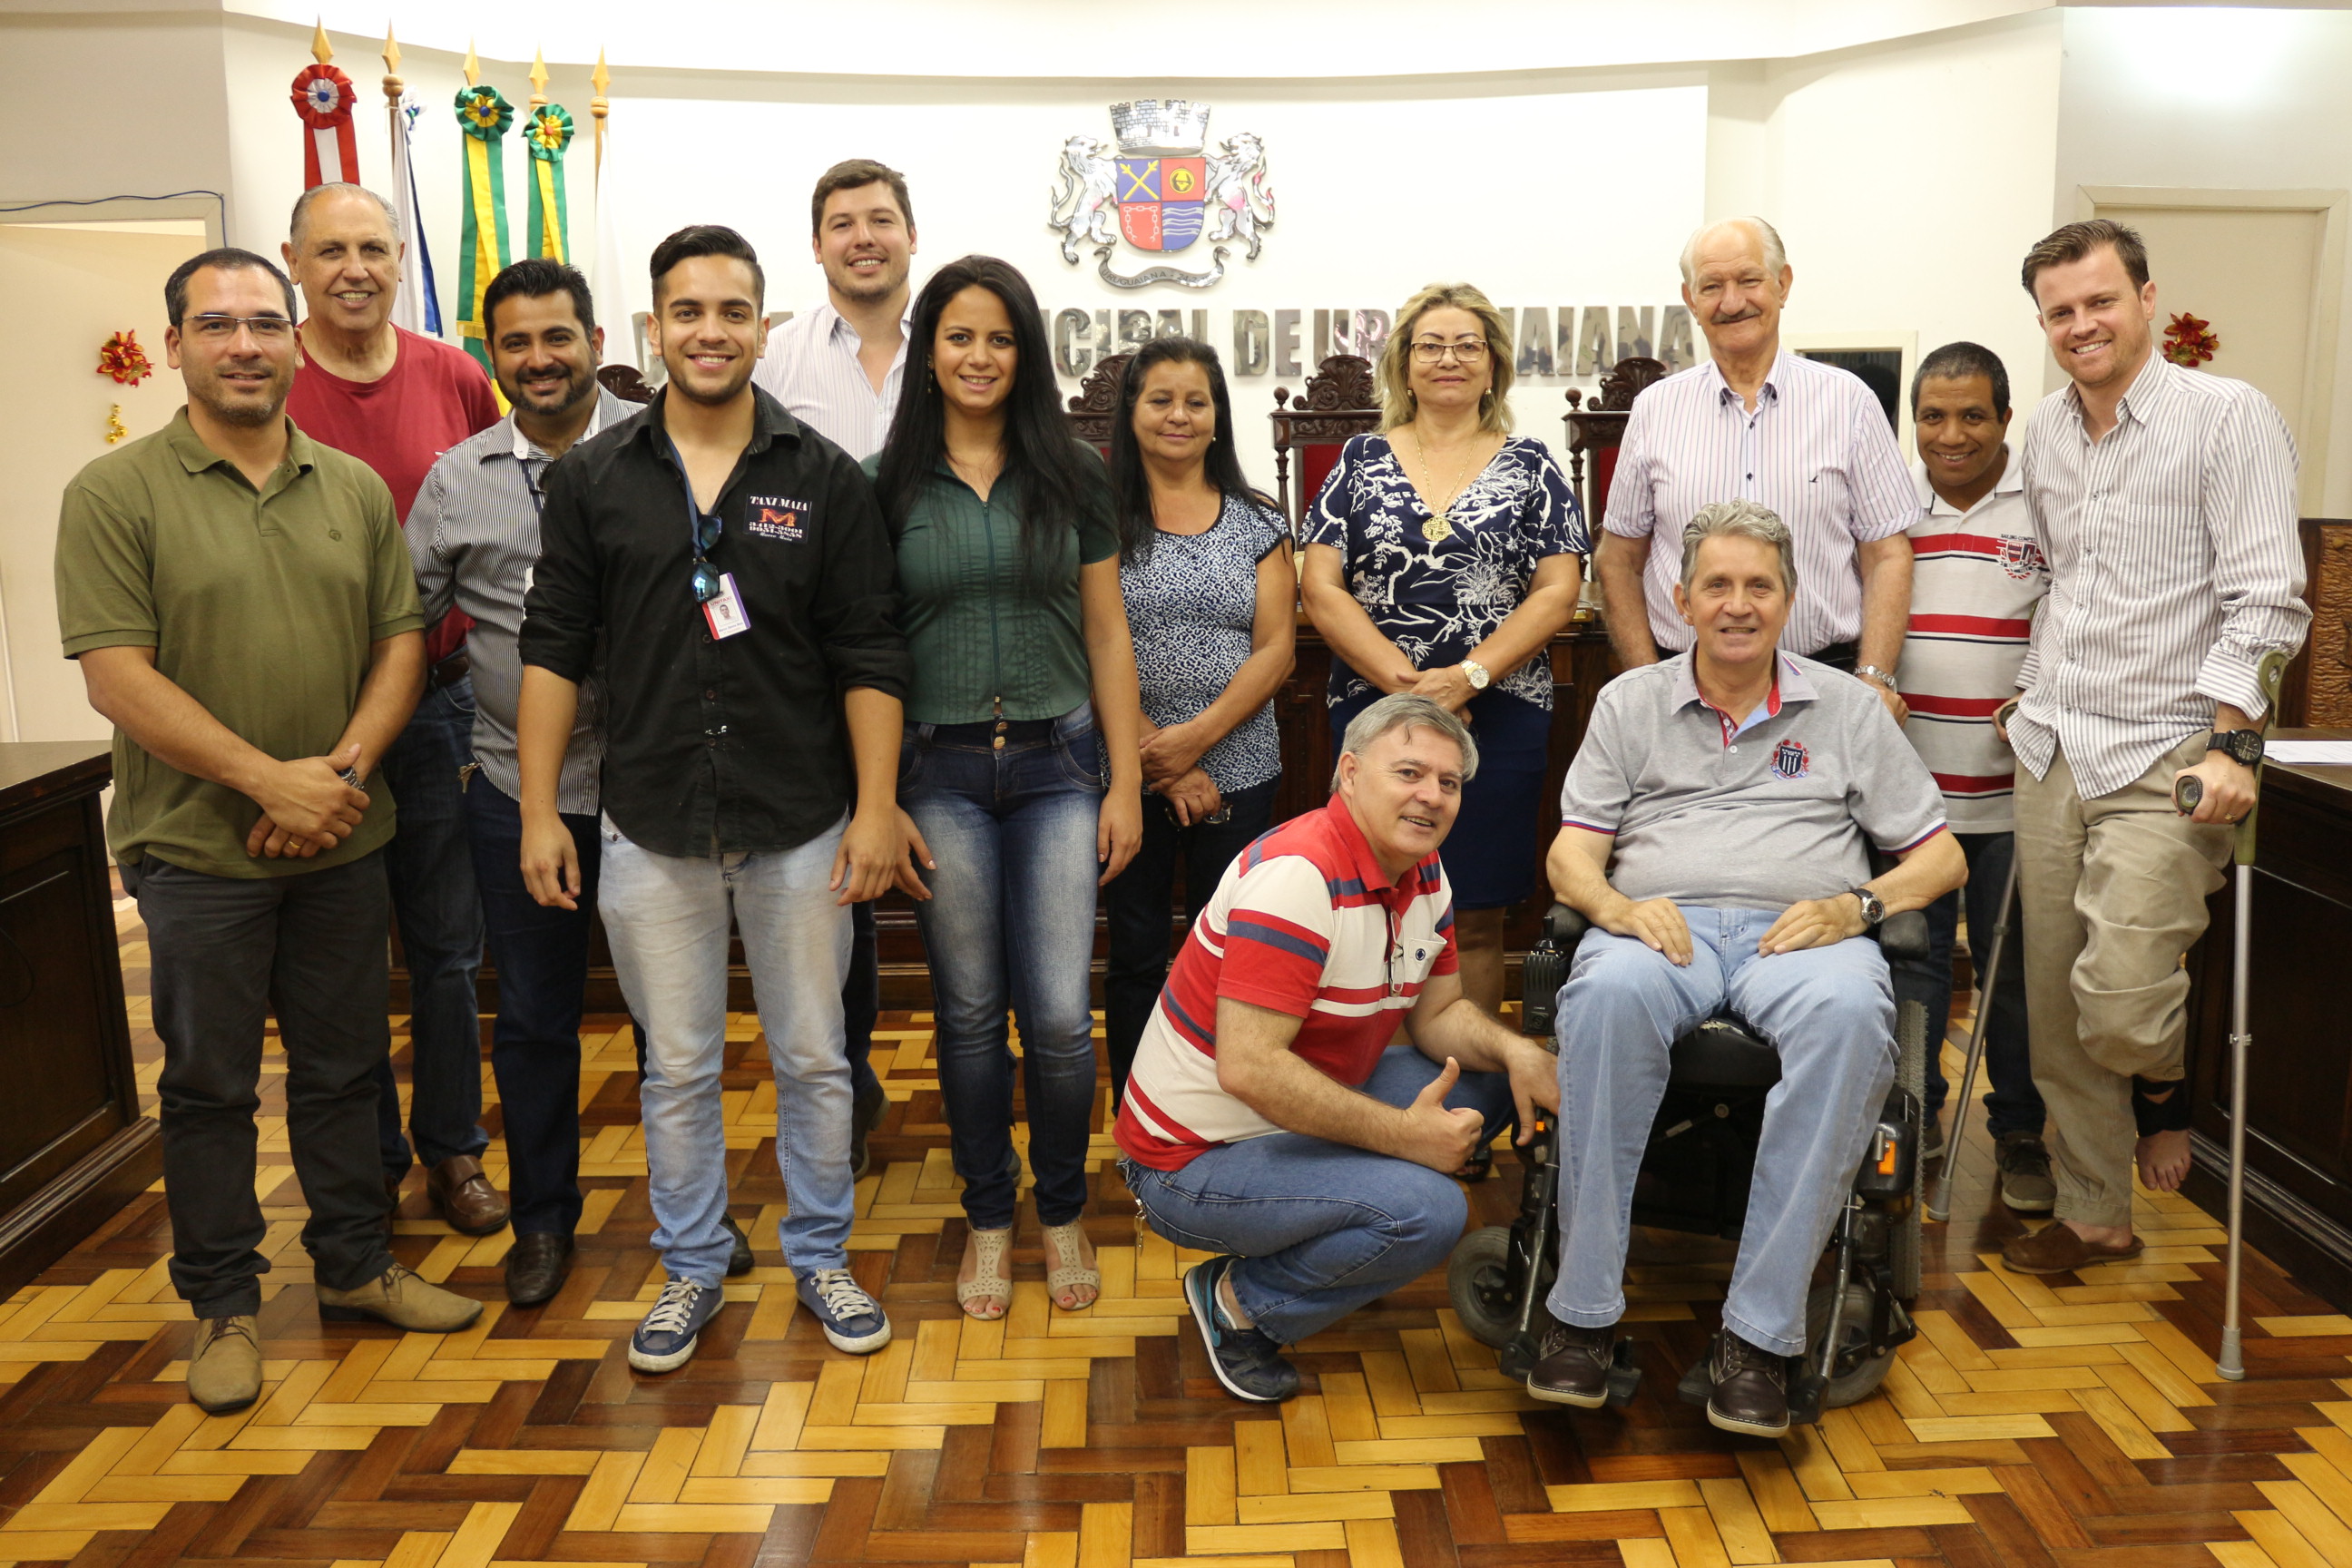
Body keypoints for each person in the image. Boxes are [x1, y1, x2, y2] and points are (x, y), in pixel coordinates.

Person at [54, 248, 483, 1415]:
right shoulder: (115, 493)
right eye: (216, 324)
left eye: (263, 324)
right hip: (196, 853)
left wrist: (334, 779)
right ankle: (224, 1305)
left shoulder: (350, 487)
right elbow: (116, 676)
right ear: (176, 345)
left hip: (346, 835)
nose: (243, 345)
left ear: (294, 342)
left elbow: (401, 646)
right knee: (210, 1086)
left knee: (347, 1070)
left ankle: (354, 1264)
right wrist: (267, 785)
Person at [516, 225, 921, 1370]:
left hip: (802, 820)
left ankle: (822, 1255)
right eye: (687, 312)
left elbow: (870, 650)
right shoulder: (594, 478)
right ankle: (691, 1267)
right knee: (679, 1067)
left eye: (732, 312)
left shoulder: (822, 476)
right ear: (655, 330)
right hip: (650, 821)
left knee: (816, 1059)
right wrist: (541, 810)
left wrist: (876, 807)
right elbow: (552, 649)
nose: (710, 332)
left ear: (762, 326)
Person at [1534, 501, 1964, 1436]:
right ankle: (1581, 1316)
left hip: (1804, 934)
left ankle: (1758, 1338)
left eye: (1759, 586)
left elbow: (1940, 857)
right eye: (1718, 586)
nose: (1738, 604)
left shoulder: (1847, 708)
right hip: (1659, 927)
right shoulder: (1630, 703)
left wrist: (1857, 908)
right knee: (1602, 995)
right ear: (1682, 599)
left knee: (1851, 1018)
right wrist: (1614, 909)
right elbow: (1572, 854)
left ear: (1790, 600)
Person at [1999, 220, 2308, 1276]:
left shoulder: (2228, 417)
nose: (2081, 325)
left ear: (2144, 298)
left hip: (2169, 754)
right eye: (2060, 311)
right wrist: (2029, 689)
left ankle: (2164, 1093)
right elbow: (2062, 578)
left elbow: (2268, 598)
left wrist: (2234, 747)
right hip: (2053, 747)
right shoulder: (2047, 432)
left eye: (2100, 301)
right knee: (2056, 1007)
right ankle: (2096, 1212)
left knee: (2122, 998)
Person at [1115, 694, 1560, 1403]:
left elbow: (1440, 1016)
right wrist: (1406, 1137)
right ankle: (1240, 1303)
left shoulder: (1424, 870)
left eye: (1448, 782)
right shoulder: (1298, 877)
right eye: (1409, 772)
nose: (1431, 795)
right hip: (1192, 1159)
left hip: (1289, 1111)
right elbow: (1252, 1068)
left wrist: (1520, 1053)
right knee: (1428, 1212)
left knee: (1495, 1081)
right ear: (1349, 774)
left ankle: (1343, 1236)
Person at [869, 254, 1144, 1321]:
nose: (979, 356)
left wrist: (1124, 782)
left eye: (1000, 338)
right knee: (973, 1012)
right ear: (928, 352)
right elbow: (867, 651)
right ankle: (990, 1214)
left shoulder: (1073, 471)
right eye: (959, 337)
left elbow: (1108, 633)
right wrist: (878, 796)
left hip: (1058, 769)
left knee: (1063, 1019)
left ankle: (1061, 1207)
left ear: (1025, 354)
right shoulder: (882, 482)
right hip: (936, 772)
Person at [408, 260, 640, 1306]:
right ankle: (544, 1222)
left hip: (654, 791)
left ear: (595, 341)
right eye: (517, 343)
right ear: (491, 356)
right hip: (515, 792)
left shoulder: (664, 452)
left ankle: (697, 1217)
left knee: (672, 1023)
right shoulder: (458, 481)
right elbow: (404, 624)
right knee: (537, 1021)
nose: (540, 359)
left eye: (558, 336)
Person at [280, 182, 508, 1237]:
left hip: (440, 708)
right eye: (332, 251)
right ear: (295, 260)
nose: (355, 270)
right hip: (312, 719)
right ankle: (368, 1158)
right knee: (342, 955)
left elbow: (503, 499)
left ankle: (453, 1151)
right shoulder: (267, 376)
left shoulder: (452, 374)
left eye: (374, 248)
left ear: (399, 257)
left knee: (447, 947)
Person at [1299, 281, 1586, 1017]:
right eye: (1430, 346)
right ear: (1404, 364)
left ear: (1493, 366)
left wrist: (1467, 678)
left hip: (1498, 715)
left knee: (1474, 915)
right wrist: (1410, 689)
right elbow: (1321, 586)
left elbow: (1558, 590)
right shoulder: (1359, 459)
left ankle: (1471, 1079)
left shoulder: (1531, 463)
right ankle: (1378, 1080)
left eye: (1467, 346)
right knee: (1367, 908)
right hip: (1375, 712)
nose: (1448, 359)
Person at [750, 157, 922, 1177]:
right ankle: (845, 1092)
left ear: (911, 236)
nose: (864, 238)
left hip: (945, 652)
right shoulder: (775, 361)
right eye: (844, 223)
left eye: (881, 220)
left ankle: (977, 1099)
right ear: (816, 245)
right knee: (838, 894)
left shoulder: (955, 347)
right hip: (822, 668)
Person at [1593, 217, 1915, 715]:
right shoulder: (1655, 410)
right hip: (1682, 693)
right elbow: (1618, 560)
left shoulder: (1849, 402)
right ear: (1690, 299)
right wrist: (1645, 682)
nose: (1731, 302)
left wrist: (1874, 679)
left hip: (1825, 688)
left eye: (1748, 280)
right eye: (1712, 286)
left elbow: (1887, 555)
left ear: (1783, 284)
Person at [1102, 338, 1296, 1109]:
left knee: (1232, 954)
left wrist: (1195, 740)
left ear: (1218, 416)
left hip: (1240, 769)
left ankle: (1219, 1112)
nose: (1178, 415)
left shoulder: (1257, 520)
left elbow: (1277, 648)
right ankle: (1139, 1115)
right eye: (1161, 400)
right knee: (1137, 953)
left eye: (1196, 401)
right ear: (1132, 412)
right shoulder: (1097, 516)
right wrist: (1160, 755)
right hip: (1126, 770)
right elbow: (1085, 641)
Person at [1882, 342, 2053, 1211]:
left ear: (2005, 419)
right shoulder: (1890, 507)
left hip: (2012, 798)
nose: (1951, 435)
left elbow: (2070, 620)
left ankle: (2019, 1130)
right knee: (1911, 965)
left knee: (2011, 972)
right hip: (1909, 807)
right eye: (1933, 417)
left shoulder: (2044, 503)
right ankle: (1917, 1112)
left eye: (1972, 416)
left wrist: (2037, 692)